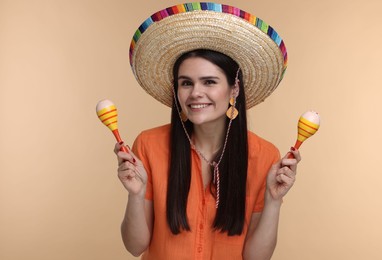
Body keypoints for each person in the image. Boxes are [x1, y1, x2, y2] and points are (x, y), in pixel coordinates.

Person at [114, 2, 300, 260]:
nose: (195, 93)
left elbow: (257, 258)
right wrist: (135, 195)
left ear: (234, 89)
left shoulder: (264, 155)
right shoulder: (148, 144)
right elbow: (135, 246)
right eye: (186, 83)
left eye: (209, 82)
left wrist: (273, 201)